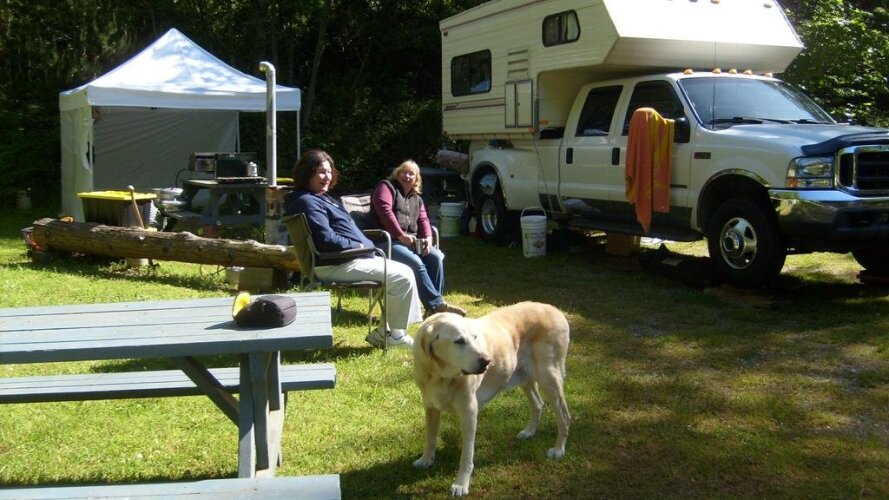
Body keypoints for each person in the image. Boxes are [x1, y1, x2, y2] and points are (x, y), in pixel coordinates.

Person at [284, 150, 423, 348]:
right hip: (335, 262)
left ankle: (388, 333)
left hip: (348, 258)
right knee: (401, 277)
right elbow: (325, 239)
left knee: (405, 271)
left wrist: (364, 247)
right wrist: (360, 246)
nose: (327, 177)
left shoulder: (321, 198)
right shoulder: (306, 201)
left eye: (329, 171)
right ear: (307, 173)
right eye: (321, 172)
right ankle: (393, 336)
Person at [370, 160, 466, 317]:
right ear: (397, 174)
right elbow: (385, 212)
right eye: (404, 172)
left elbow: (423, 220)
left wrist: (428, 238)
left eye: (411, 174)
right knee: (416, 262)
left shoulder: (416, 198)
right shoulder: (386, 187)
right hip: (386, 241)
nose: (407, 176)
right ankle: (436, 306)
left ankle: (433, 308)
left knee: (435, 258)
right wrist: (401, 235)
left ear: (416, 179)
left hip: (410, 242)